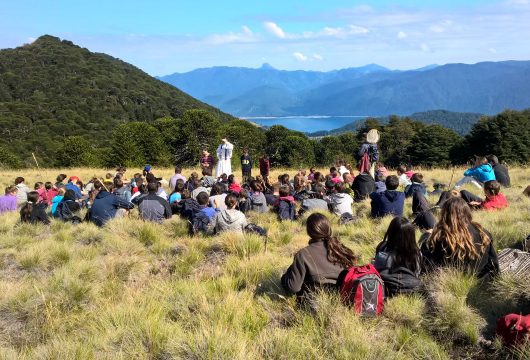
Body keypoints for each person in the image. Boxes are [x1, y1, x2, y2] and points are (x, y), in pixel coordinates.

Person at [281, 213, 356, 303]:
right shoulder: (341, 250)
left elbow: (293, 287)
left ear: (309, 231)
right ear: (328, 229)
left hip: (315, 305)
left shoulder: (303, 254)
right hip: (345, 300)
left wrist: (284, 278)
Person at [420, 197, 499, 278]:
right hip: (481, 280)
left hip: (449, 283)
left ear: (444, 214)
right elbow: (493, 262)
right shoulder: (482, 232)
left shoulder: (439, 237)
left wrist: (425, 237)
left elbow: (429, 265)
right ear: (467, 212)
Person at [374, 217, 421, 297]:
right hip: (410, 289)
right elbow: (417, 273)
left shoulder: (383, 251)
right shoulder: (416, 253)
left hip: (387, 291)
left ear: (391, 233)